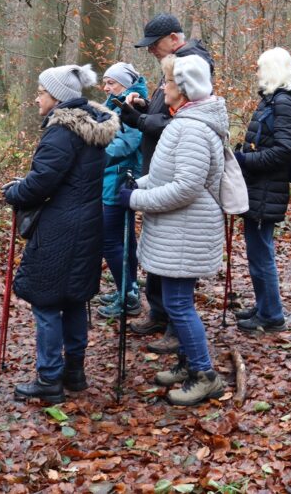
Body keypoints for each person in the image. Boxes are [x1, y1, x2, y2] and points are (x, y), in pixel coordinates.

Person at [4, 64, 119, 403]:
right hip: (87, 223)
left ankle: (50, 379)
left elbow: (41, 183)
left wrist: (13, 192)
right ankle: (74, 373)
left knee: (47, 301)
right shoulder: (91, 129)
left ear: (56, 97)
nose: (37, 98)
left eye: (41, 92)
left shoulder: (61, 132)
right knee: (73, 300)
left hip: (61, 228)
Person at [117, 54, 227, 406]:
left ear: (183, 89)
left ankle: (204, 375)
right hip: (178, 229)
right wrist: (139, 183)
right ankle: (187, 364)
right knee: (179, 301)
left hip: (187, 229)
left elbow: (186, 187)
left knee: (179, 303)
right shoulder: (184, 121)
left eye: (167, 83)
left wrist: (135, 199)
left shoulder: (192, 128)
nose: (161, 88)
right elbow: (168, 176)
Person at [117, 13, 213, 354]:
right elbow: (167, 111)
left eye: (155, 45)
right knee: (159, 255)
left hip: (174, 182)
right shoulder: (177, 63)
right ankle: (160, 313)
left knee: (175, 264)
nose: (152, 52)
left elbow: (177, 121)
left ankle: (179, 332)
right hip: (159, 170)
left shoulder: (190, 64)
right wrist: (145, 108)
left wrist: (140, 119)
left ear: (174, 38)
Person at [233, 48, 291, 334]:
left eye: (261, 67)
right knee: (257, 251)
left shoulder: (283, 102)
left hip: (268, 188)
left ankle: (271, 314)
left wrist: (244, 160)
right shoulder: (274, 100)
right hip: (260, 186)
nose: (257, 72)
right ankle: (264, 305)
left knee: (261, 253)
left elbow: (284, 150)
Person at [97, 62, 148, 318]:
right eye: (105, 82)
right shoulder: (114, 101)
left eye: (111, 82)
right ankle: (128, 289)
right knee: (124, 238)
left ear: (126, 84)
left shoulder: (132, 103)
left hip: (119, 180)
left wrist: (93, 154)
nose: (106, 87)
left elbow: (126, 142)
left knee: (111, 240)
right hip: (112, 178)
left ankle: (128, 294)